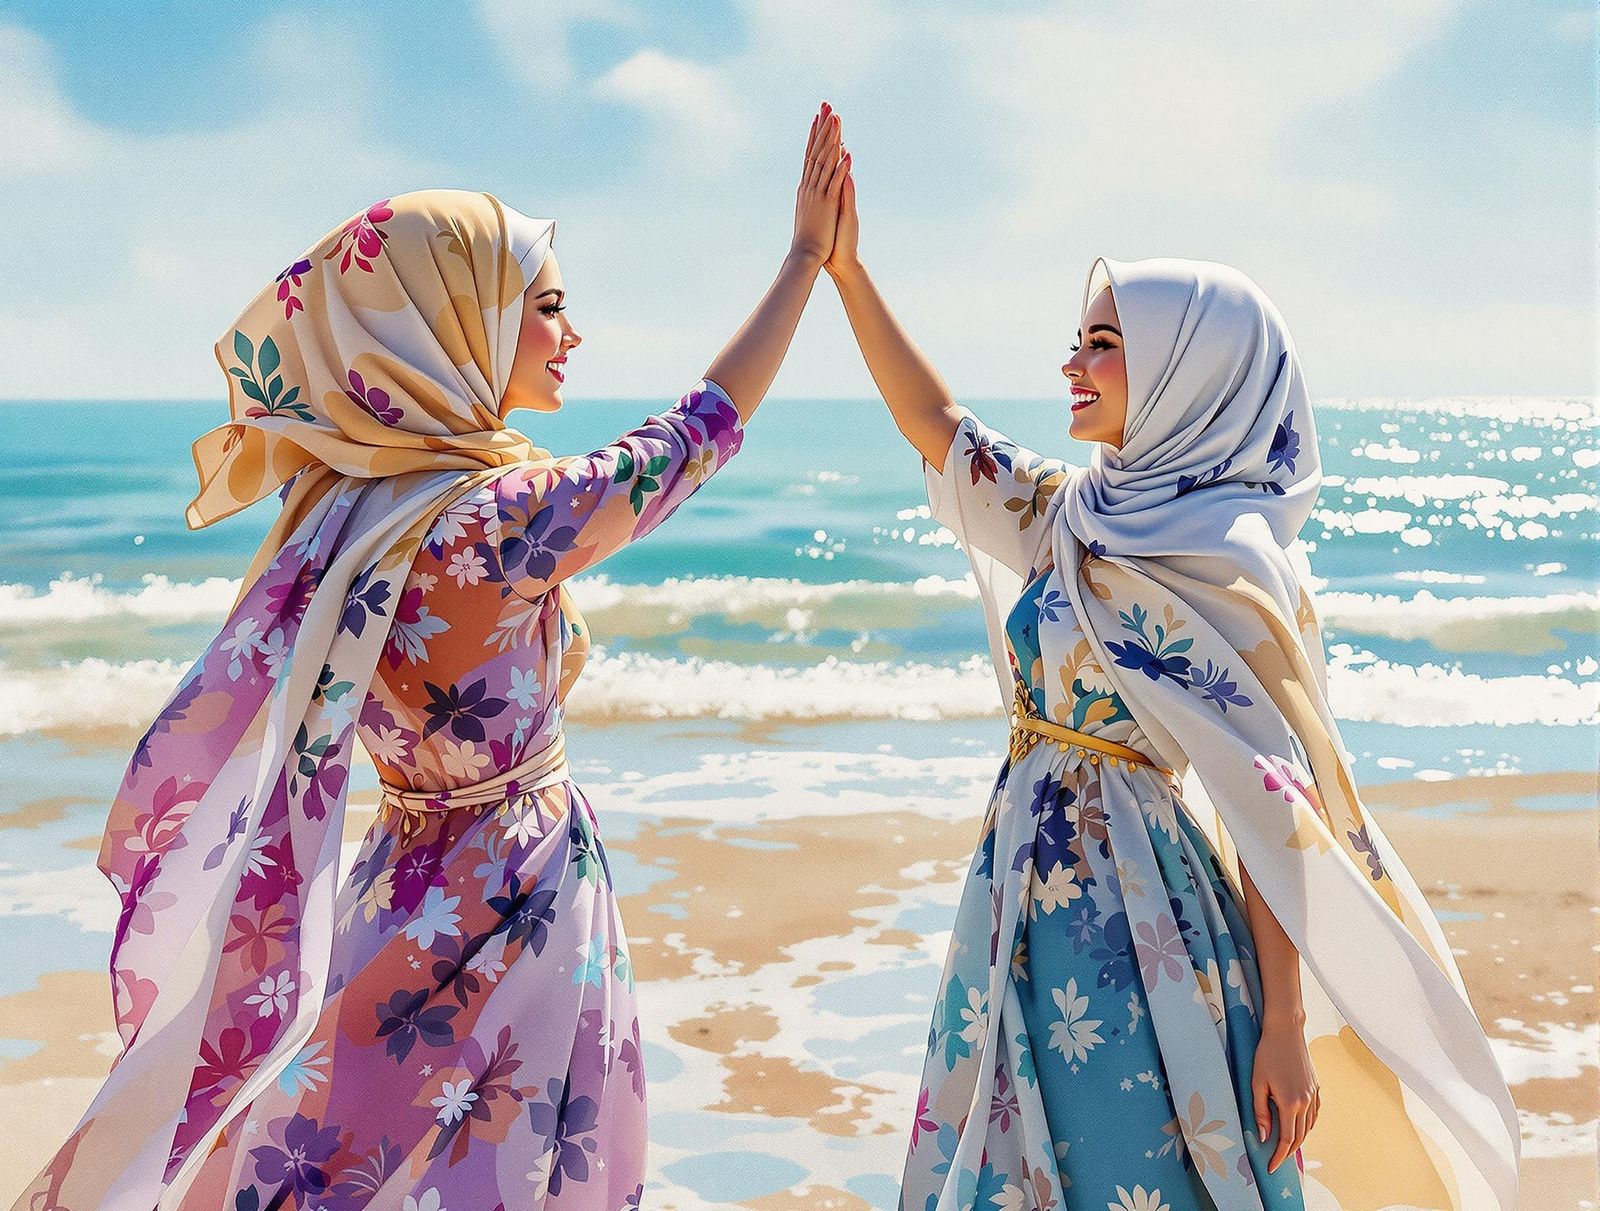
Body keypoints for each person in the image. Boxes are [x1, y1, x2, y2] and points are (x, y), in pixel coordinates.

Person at [14, 106, 850, 1211]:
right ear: (457, 326)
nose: (571, 332)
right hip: (518, 889)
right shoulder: (496, 520)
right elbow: (697, 428)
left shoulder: (344, 512)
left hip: (398, 879)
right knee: (510, 1162)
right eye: (546, 307)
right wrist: (802, 262)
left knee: (346, 1147)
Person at [821, 115, 1520, 1210]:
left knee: (1135, 1163)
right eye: (1080, 338)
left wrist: (1284, 1024)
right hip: (1016, 881)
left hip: (1139, 909)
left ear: (1192, 369)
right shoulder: (1069, 513)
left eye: (1104, 341)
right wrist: (846, 273)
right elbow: (937, 424)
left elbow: (1271, 809)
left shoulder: (1234, 563)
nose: (1072, 361)